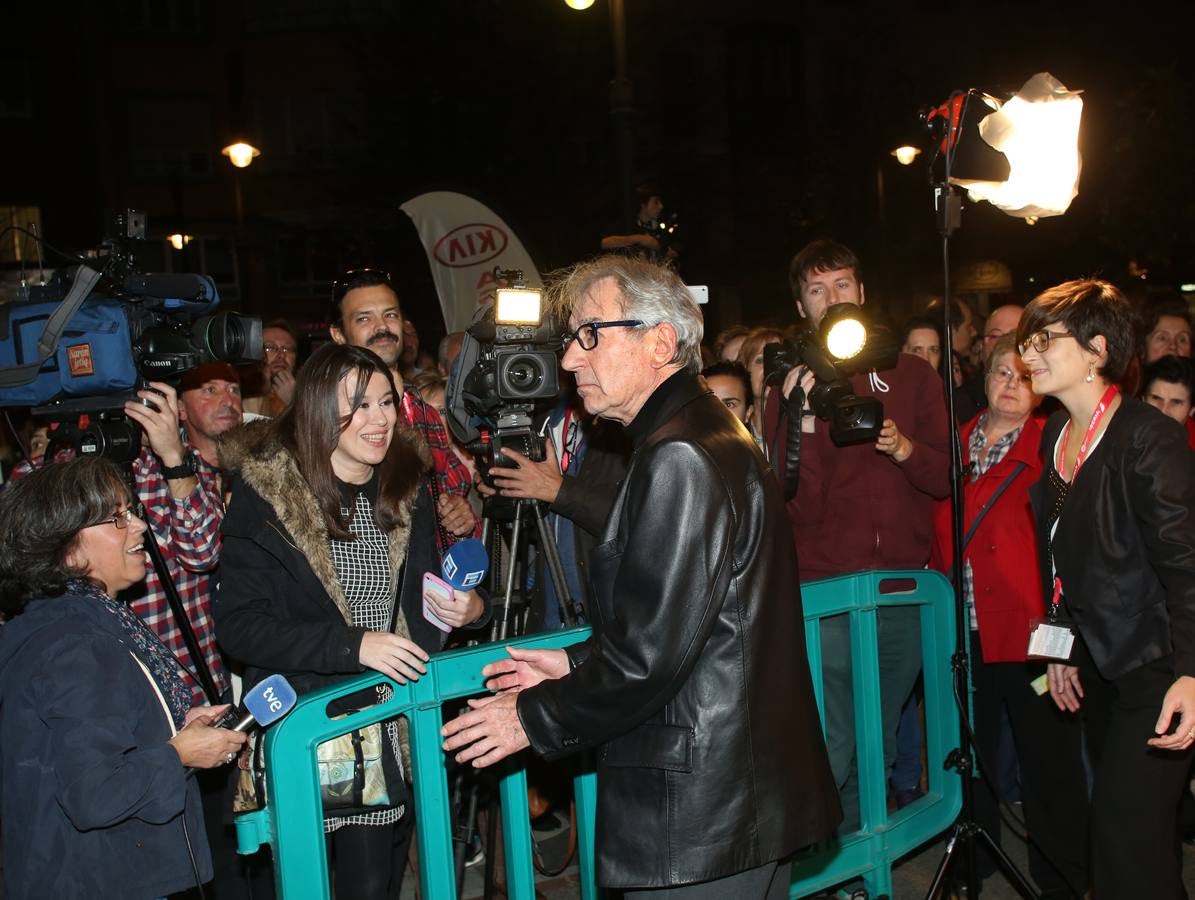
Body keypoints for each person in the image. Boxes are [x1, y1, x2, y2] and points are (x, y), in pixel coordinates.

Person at [442, 255, 840, 898]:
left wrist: (530, 717)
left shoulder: (681, 452)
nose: (570, 359)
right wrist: (574, 664)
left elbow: (652, 655)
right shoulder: (696, 433)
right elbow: (690, 624)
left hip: (703, 806)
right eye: (570, 338)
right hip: (731, 791)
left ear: (660, 343)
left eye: (589, 334)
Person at [215, 342, 489, 900]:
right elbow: (240, 626)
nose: (379, 419)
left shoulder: (406, 482)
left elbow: (424, 605)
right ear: (318, 408)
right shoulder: (268, 493)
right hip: (314, 728)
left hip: (396, 726)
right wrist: (353, 645)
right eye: (359, 405)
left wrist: (471, 610)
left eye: (387, 402)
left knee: (380, 880)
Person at [763, 239, 951, 847]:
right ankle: (836, 865)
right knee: (836, 738)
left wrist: (903, 448)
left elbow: (946, 477)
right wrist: (805, 421)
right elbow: (793, 505)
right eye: (817, 290)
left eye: (841, 284)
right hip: (826, 590)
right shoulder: (788, 385)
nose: (832, 298)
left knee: (879, 737)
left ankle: (861, 865)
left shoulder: (914, 373)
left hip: (901, 588)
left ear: (862, 293)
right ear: (802, 306)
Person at [1019, 278, 1195, 898]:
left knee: (1125, 840)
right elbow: (1065, 552)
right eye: (1026, 340)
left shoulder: (1149, 436)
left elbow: (1187, 564)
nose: (1028, 354)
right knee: (1134, 845)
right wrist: (1062, 646)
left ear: (1096, 350)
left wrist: (1192, 675)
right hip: (1101, 662)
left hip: (1158, 668)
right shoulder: (1054, 435)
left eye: (1044, 340)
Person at [0, 457, 246, 899]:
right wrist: (179, 755)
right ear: (69, 550)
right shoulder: (76, 644)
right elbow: (96, 791)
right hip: (102, 881)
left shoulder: (79, 622)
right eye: (117, 519)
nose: (139, 527)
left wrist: (175, 727)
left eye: (130, 511)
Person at [931, 335, 1089, 898]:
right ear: (985, 377)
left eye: (1023, 376)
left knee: (1048, 758)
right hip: (960, 626)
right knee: (967, 755)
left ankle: (1065, 875)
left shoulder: (1054, 443)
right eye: (1001, 372)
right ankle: (976, 861)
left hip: (1031, 632)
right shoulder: (952, 442)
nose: (1011, 385)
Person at [329, 268, 478, 549]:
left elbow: (453, 503)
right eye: (364, 318)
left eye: (390, 314)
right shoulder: (327, 413)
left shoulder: (426, 413)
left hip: (423, 582)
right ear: (338, 334)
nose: (382, 326)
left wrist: (461, 520)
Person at [242, 318, 299, 417]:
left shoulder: (310, 394)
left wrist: (293, 401)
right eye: (270, 347)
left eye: (287, 349)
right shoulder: (240, 393)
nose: (281, 355)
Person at [1140, 354, 1195, 449]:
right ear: (1143, 400)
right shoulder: (1121, 438)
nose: (1164, 411)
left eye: (1176, 402)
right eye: (1156, 398)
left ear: (1192, 409)